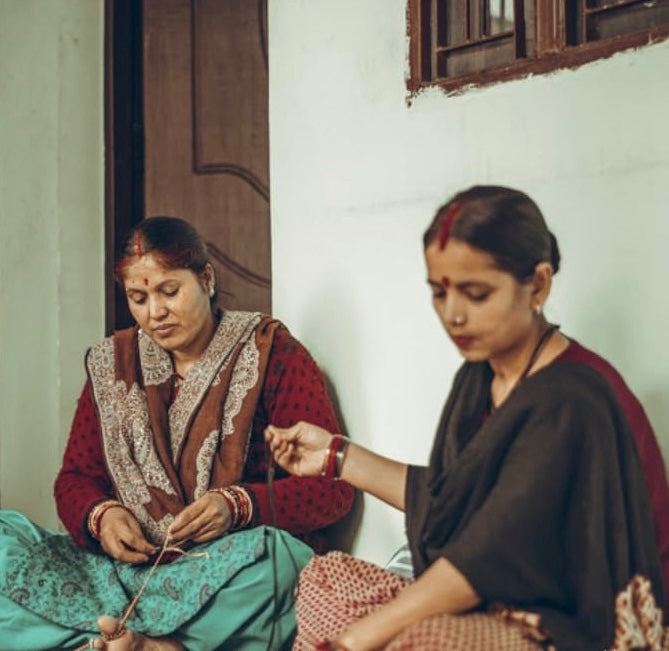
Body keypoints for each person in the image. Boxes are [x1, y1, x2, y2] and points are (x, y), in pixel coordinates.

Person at [265, 186, 669, 651]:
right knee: (325, 578)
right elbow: (451, 507)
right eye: (440, 293)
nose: (453, 315)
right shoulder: (478, 380)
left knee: (423, 635)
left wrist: (354, 640)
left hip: (577, 617)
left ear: (537, 285)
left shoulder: (573, 397)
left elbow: (492, 553)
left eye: (476, 294)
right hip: (491, 590)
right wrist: (336, 455)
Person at [0, 216, 354, 650]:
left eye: (169, 291)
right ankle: (130, 638)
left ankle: (119, 642)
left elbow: (333, 491)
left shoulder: (271, 354)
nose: (156, 312)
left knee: (282, 561)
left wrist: (238, 506)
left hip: (220, 572)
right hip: (122, 574)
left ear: (206, 278)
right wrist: (103, 516)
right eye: (138, 297)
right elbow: (74, 479)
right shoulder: (113, 364)